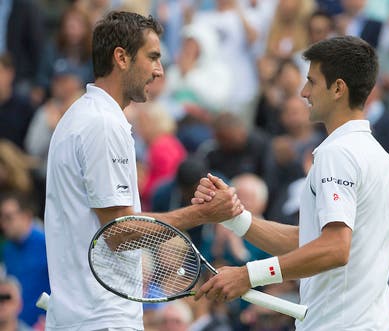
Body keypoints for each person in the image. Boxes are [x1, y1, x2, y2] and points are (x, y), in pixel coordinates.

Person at [43, 11, 242, 330]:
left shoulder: (82, 115)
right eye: (152, 57)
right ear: (121, 57)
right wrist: (202, 214)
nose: (160, 71)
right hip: (102, 319)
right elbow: (121, 233)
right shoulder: (103, 124)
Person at [192, 36, 389, 330]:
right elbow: (309, 241)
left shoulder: (337, 153)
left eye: (312, 82)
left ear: (338, 88)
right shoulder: (378, 156)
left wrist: (248, 275)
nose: (304, 92)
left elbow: (334, 249)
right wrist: (233, 218)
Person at [0, 192, 49, 326]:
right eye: (1, 218)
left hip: (44, 325)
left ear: (26, 216)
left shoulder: (47, 244)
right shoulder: (7, 249)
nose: (3, 224)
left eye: (9, 217)